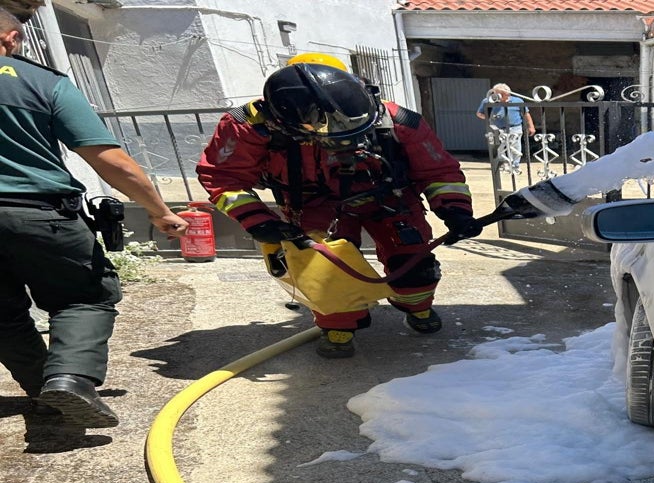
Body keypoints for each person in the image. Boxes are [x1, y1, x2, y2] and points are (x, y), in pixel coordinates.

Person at [197, 55, 481, 359]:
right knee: (323, 270)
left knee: (414, 262)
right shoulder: (249, 127)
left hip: (389, 197)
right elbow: (223, 177)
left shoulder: (396, 120)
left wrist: (455, 210)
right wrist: (257, 220)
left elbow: (439, 171)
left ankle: (419, 308)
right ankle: (339, 328)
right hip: (313, 204)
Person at [0, 9, 189, 427]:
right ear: (11, 38)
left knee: (4, 315)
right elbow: (111, 162)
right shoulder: (40, 82)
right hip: (38, 214)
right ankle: (68, 381)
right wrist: (160, 212)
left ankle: (44, 389)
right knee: (83, 297)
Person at [476, 83, 535, 175]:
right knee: (500, 148)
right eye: (499, 94)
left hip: (515, 127)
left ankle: (515, 165)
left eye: (504, 94)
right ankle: (504, 165)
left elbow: (526, 114)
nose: (502, 96)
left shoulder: (518, 100)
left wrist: (531, 126)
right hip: (497, 129)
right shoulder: (488, 101)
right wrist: (490, 117)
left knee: (515, 148)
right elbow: (479, 114)